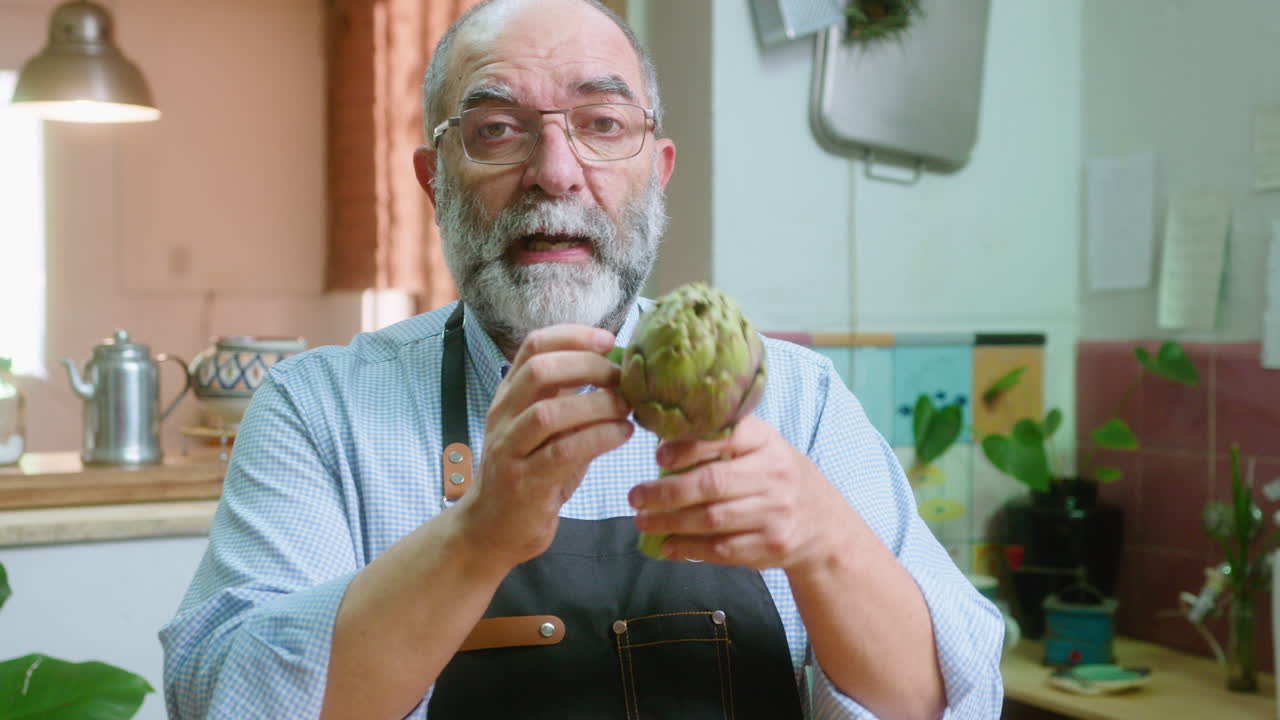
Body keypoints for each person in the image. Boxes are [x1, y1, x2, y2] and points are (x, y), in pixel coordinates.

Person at [160, 0, 1004, 717]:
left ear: (658, 172)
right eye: (496, 131)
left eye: (602, 125)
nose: (555, 173)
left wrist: (823, 540)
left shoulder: (802, 403)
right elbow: (221, 695)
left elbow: (956, 695)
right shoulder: (320, 411)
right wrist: (475, 538)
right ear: (433, 181)